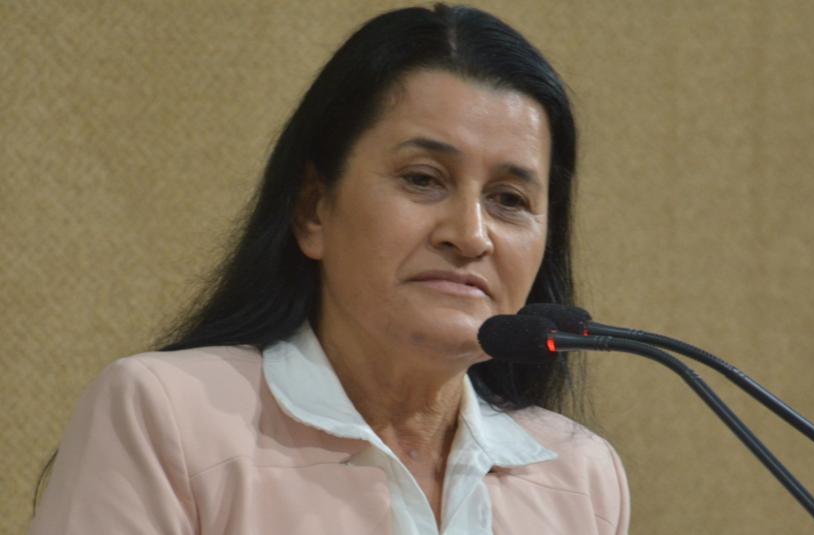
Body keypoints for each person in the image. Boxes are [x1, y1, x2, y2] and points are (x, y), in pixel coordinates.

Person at [30, 4, 630, 534]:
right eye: (423, 179)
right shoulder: (167, 418)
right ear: (314, 209)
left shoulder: (581, 476)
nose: (470, 235)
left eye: (509, 200)